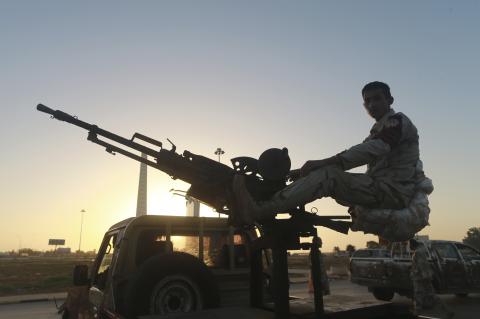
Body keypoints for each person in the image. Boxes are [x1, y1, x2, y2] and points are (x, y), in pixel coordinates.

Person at [233, 81, 432, 239]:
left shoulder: (397, 122)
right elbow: (362, 150)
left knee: (328, 176)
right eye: (367, 101)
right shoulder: (378, 131)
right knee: (324, 174)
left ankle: (260, 210)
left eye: (377, 99)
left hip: (392, 192)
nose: (372, 104)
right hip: (381, 188)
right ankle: (271, 200)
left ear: (390, 100)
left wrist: (322, 163)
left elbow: (370, 150)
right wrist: (298, 173)